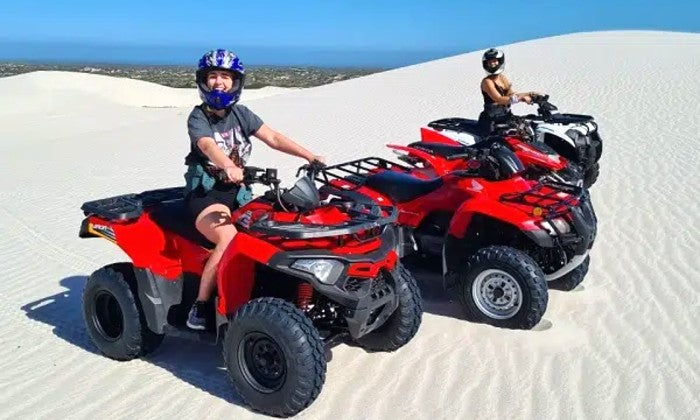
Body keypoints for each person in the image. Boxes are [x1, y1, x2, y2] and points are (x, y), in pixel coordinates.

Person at [184, 49, 324, 330]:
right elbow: (207, 146)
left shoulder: (241, 114)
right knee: (228, 238)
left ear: (235, 82)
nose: (219, 82)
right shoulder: (198, 117)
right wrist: (227, 165)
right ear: (203, 81)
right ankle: (200, 306)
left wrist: (310, 156)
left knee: (275, 227)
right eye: (213, 76)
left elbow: (272, 137)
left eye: (225, 76)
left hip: (239, 194)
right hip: (206, 195)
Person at [477, 48, 536, 136]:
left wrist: (530, 94)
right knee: (498, 143)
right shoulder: (487, 82)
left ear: (500, 61)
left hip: (505, 116)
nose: (492, 64)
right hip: (491, 121)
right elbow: (499, 99)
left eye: (494, 61)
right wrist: (520, 99)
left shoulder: (502, 77)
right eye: (489, 62)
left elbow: (511, 95)